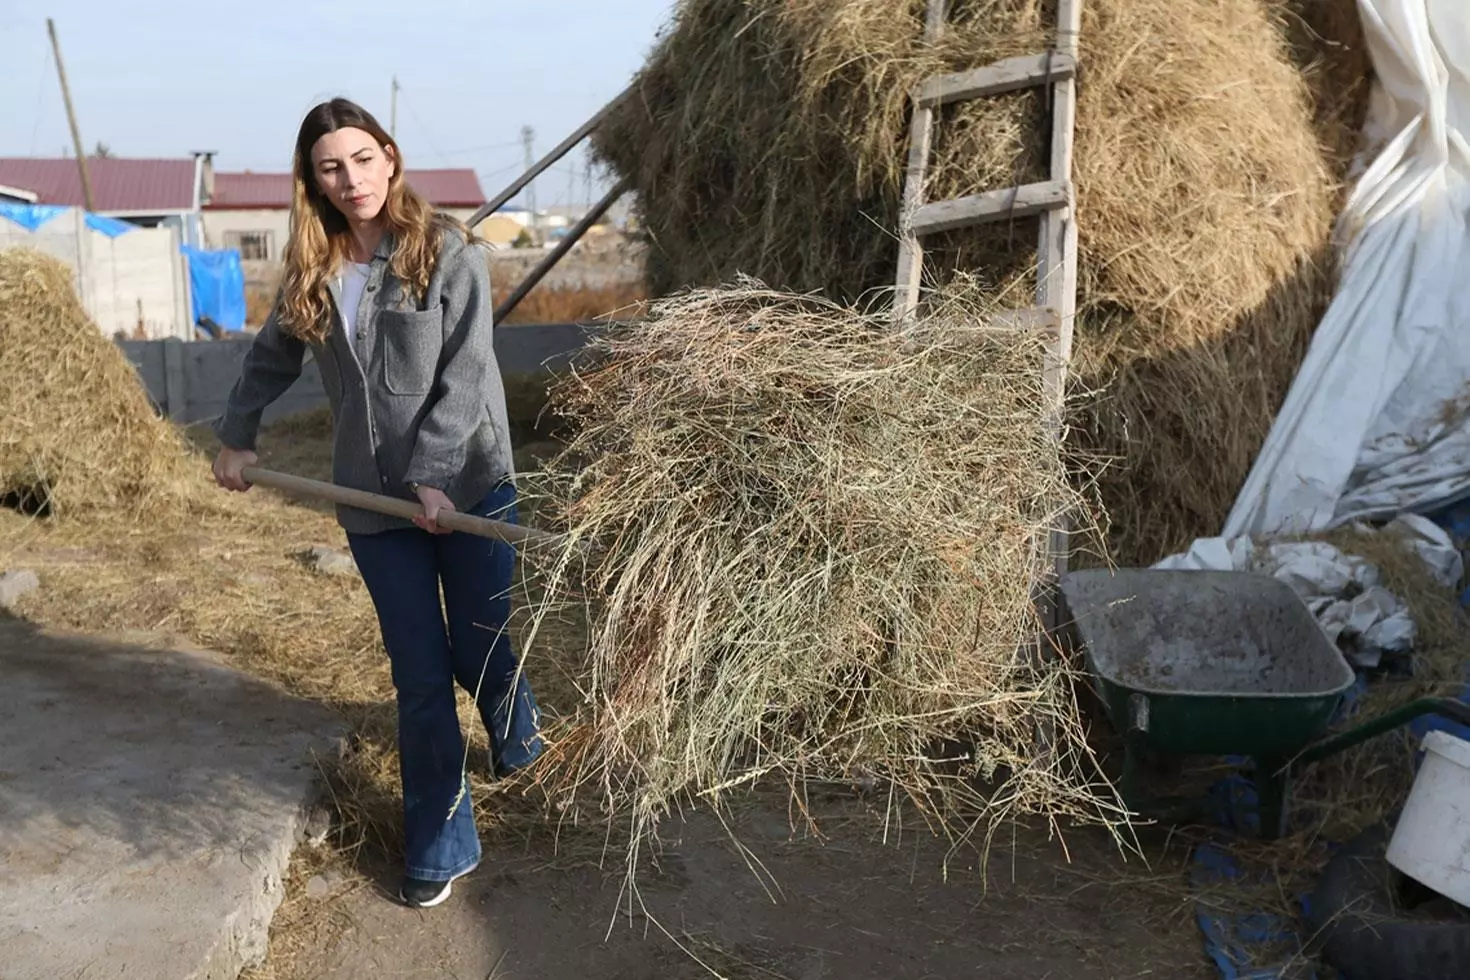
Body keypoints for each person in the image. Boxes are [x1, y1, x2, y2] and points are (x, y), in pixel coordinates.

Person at [211, 97, 542, 909]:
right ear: (313, 181)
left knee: (481, 644)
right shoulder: (314, 268)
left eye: (361, 159)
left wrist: (434, 471)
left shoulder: (450, 251)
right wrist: (237, 434)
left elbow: (467, 373)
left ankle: (518, 732)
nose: (350, 178)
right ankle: (441, 842)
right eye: (330, 167)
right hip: (370, 500)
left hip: (468, 485)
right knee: (421, 675)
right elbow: (270, 355)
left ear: (389, 158)